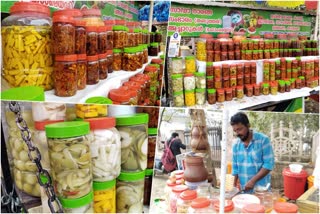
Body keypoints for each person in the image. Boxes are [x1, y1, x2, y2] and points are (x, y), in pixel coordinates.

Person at [230, 112, 275, 193]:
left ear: (248, 125)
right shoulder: (236, 145)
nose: (238, 133)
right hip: (243, 191)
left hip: (261, 190)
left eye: (240, 129)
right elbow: (235, 169)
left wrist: (252, 181)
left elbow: (268, 165)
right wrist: (233, 187)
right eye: (235, 130)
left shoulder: (263, 140)